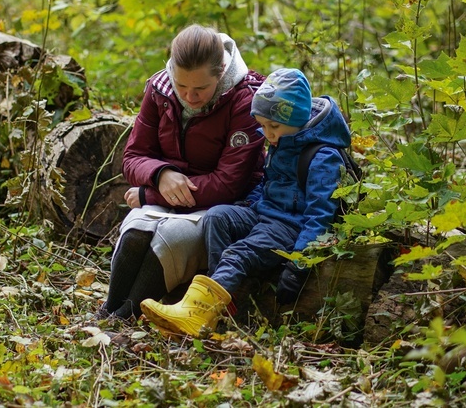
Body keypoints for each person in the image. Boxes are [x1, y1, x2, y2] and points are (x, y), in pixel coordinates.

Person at [140, 67, 352, 336]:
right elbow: (267, 184)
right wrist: (246, 206)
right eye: (263, 127)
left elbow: (320, 215)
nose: (268, 134)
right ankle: (221, 304)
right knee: (217, 217)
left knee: (238, 253)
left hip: (290, 225)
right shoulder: (283, 139)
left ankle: (198, 314)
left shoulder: (323, 157)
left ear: (297, 118)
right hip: (265, 213)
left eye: (273, 126)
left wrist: (299, 263)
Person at [99, 24, 266, 320]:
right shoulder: (159, 89)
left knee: (173, 237)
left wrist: (149, 192)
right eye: (182, 85)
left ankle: (129, 312)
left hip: (224, 203)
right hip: (169, 192)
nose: (189, 96)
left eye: (200, 88)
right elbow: (133, 157)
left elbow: (229, 183)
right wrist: (161, 174)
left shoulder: (245, 98)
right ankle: (110, 308)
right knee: (137, 228)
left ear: (221, 72)